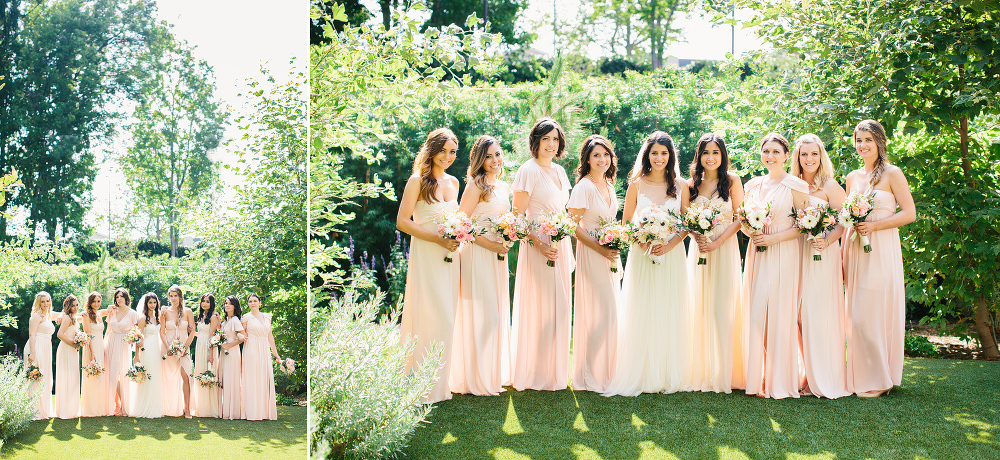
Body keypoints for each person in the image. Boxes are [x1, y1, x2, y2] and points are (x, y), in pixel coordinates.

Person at [604, 131, 690, 396]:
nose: (659, 158)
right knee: (644, 307)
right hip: (642, 255)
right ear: (647, 155)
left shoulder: (682, 185)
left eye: (664, 153)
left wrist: (671, 244)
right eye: (654, 153)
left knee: (669, 307)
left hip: (671, 254)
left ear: (671, 155)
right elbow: (627, 220)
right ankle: (641, 373)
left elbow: (687, 222)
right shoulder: (636, 184)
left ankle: (666, 373)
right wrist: (640, 240)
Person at [843, 120, 915, 397]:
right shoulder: (852, 177)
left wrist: (874, 226)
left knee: (873, 312)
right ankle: (863, 374)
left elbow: (909, 213)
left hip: (882, 249)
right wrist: (841, 258)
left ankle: (880, 378)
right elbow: (847, 222)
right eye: (858, 140)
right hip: (855, 250)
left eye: (868, 140)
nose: (862, 145)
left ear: (879, 142)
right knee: (857, 314)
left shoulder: (893, 174)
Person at [740, 132, 810, 399]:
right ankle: (762, 374)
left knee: (780, 315)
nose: (770, 156)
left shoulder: (796, 185)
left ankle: (780, 378)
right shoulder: (753, 185)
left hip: (784, 252)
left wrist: (774, 238)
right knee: (758, 314)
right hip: (758, 252)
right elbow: (744, 220)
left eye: (775, 152)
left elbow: (804, 225)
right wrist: (752, 234)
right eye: (766, 151)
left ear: (785, 155)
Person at [395, 128, 462, 403]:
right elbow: (402, 222)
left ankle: (440, 384)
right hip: (428, 255)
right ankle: (420, 384)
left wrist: (460, 236)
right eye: (443, 150)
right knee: (431, 316)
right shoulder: (417, 181)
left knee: (448, 318)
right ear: (432, 150)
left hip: (450, 258)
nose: (448, 156)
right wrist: (438, 238)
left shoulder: (455, 182)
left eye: (453, 152)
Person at [510, 118, 574, 391]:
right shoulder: (528, 170)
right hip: (538, 246)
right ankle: (533, 372)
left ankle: (554, 373)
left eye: (555, 139)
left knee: (560, 308)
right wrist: (537, 242)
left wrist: (562, 236)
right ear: (535, 141)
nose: (551, 144)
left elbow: (565, 212)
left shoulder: (560, 171)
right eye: (546, 138)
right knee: (541, 307)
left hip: (559, 244)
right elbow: (516, 215)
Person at [450, 135, 513, 396]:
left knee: (496, 315)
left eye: (497, 154)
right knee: (486, 316)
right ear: (479, 159)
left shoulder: (503, 186)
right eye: (488, 156)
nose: (495, 160)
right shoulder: (475, 186)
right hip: (478, 254)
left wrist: (510, 236)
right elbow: (460, 224)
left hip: (499, 255)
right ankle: (475, 378)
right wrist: (490, 245)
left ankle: (491, 373)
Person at [790, 134, 850, 399]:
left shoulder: (830, 185)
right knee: (800, 316)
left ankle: (823, 376)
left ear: (821, 156)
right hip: (797, 252)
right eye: (804, 154)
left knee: (820, 314)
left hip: (822, 254)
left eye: (814, 154)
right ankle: (806, 373)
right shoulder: (793, 184)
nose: (809, 159)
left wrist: (826, 241)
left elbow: (844, 219)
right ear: (798, 157)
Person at [686, 133, 746, 394]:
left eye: (715, 153)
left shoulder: (732, 181)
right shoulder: (690, 185)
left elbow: (741, 217)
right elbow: (684, 220)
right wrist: (699, 237)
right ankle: (700, 372)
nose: (710, 158)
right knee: (699, 307)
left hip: (724, 248)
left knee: (723, 308)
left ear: (722, 156)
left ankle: (725, 374)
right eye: (706, 153)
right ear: (699, 156)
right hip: (699, 250)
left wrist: (717, 242)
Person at [566, 134, 620, 393]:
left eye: (605, 154)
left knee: (610, 314)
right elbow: (572, 226)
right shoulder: (584, 187)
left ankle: (606, 370)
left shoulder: (609, 185)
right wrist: (600, 247)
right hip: (592, 253)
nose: (602, 159)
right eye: (596, 155)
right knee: (604, 313)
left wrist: (616, 242)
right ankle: (587, 374)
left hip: (610, 253)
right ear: (587, 159)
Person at [242, 293, 282, 420]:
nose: (252, 303)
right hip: (251, 349)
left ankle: (264, 412)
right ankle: (252, 412)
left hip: (264, 350)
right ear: (248, 304)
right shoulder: (245, 318)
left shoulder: (267, 317)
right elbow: (242, 335)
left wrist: (275, 354)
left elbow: (270, 336)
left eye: (255, 301)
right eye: (250, 301)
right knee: (253, 378)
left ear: (260, 303)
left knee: (264, 378)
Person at [161, 285, 196, 417]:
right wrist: (168, 346)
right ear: (168, 297)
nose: (174, 298)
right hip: (169, 349)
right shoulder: (164, 312)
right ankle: (168, 406)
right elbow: (162, 332)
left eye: (176, 295)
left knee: (186, 377)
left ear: (180, 296)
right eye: (171, 296)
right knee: (168, 377)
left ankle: (187, 408)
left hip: (184, 349)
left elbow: (192, 331)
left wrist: (186, 347)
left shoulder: (188, 312)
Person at [105, 287, 140, 416]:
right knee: (110, 375)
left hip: (124, 345)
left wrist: (137, 351)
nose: (119, 299)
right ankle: (116, 404)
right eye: (117, 297)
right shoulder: (112, 311)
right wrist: (104, 345)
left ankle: (123, 406)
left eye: (121, 296)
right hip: (111, 343)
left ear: (126, 298)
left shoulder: (133, 314)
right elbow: (108, 330)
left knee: (121, 374)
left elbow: (137, 333)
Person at [131, 293, 164, 418]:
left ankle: (154, 406)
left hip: (156, 349)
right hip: (147, 348)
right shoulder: (143, 318)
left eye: (154, 302)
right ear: (146, 304)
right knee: (147, 375)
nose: (153, 305)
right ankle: (143, 407)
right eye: (150, 302)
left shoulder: (159, 317)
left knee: (155, 376)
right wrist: (137, 355)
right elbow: (138, 337)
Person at [25, 291, 56, 419]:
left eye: (47, 301)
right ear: (38, 303)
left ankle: (44, 410)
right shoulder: (36, 316)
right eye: (42, 301)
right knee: (36, 379)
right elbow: (32, 335)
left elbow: (64, 314)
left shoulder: (47, 315)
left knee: (45, 378)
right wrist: (33, 353)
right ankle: (34, 411)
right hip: (36, 348)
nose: (45, 303)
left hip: (46, 348)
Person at [80, 292, 110, 416]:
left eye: (98, 301)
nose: (96, 304)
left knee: (100, 375)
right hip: (91, 347)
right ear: (89, 302)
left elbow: (111, 308)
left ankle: (100, 406)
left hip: (100, 345)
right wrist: (91, 352)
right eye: (94, 301)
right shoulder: (86, 315)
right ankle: (90, 408)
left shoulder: (99, 313)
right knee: (91, 375)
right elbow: (87, 335)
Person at [193, 293, 221, 417]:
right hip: (200, 346)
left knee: (208, 373)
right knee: (200, 372)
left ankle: (209, 408)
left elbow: (212, 336)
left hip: (209, 347)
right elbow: (201, 333)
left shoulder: (213, 316)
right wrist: (192, 333)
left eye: (207, 301)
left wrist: (211, 354)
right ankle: (201, 406)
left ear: (212, 303)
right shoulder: (201, 316)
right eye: (203, 301)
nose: (204, 303)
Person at [55, 295, 82, 419]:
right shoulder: (67, 318)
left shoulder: (73, 317)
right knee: (67, 377)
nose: (75, 308)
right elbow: (59, 334)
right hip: (66, 348)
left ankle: (71, 408)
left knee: (73, 377)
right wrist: (73, 344)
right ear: (68, 306)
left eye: (77, 305)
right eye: (73, 305)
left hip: (72, 349)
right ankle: (65, 410)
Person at [219, 296, 246, 419]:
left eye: (229, 303)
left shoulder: (235, 320)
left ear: (235, 306)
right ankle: (225, 409)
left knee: (232, 380)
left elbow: (243, 337)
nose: (227, 305)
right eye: (225, 303)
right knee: (225, 379)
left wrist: (229, 345)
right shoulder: (225, 321)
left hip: (233, 352)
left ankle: (233, 412)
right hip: (224, 353)